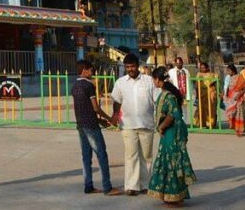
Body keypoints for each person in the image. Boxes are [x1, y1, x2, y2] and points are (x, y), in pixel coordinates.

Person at [72, 60, 123, 196]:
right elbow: (95, 108)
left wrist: (100, 121)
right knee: (101, 154)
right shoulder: (89, 86)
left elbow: (83, 109)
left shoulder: (75, 86)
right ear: (84, 70)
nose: (93, 72)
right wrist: (108, 119)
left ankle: (88, 185)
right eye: (91, 69)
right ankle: (107, 187)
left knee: (86, 156)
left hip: (81, 124)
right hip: (91, 126)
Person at [110, 53, 158, 196]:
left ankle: (145, 184)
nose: (130, 69)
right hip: (128, 125)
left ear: (138, 66)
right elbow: (117, 101)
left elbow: (157, 100)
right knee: (131, 155)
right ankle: (131, 186)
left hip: (147, 124)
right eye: (127, 67)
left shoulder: (148, 81)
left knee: (146, 156)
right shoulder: (120, 82)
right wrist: (114, 116)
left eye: (132, 66)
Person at [148, 66, 197, 206]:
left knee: (171, 162)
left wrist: (162, 127)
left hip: (171, 133)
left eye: (153, 79)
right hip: (168, 133)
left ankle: (175, 196)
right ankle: (171, 194)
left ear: (157, 80)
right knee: (168, 161)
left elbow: (173, 114)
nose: (153, 81)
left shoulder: (168, 96)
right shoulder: (166, 93)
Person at [224, 63, 245, 136]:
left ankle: (240, 130)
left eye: (228, 70)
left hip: (238, 99)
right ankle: (235, 128)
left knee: (239, 114)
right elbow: (228, 88)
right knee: (232, 114)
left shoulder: (239, 77)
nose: (227, 72)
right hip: (231, 99)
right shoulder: (229, 78)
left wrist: (238, 95)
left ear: (233, 71)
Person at [193, 61, 218, 129]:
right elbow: (196, 85)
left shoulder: (212, 74)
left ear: (207, 68)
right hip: (202, 93)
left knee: (210, 109)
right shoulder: (199, 74)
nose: (202, 69)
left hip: (210, 93)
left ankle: (210, 123)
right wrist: (197, 95)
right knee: (201, 109)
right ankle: (202, 123)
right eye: (201, 68)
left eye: (204, 68)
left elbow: (216, 82)